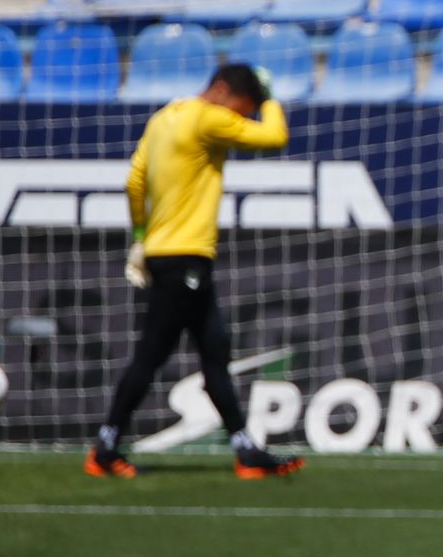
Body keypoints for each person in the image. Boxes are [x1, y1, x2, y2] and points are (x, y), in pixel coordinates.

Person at [88, 63, 301, 480]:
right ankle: (105, 447)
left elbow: (135, 182)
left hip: (171, 255)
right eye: (244, 108)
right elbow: (275, 137)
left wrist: (140, 237)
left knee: (215, 352)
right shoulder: (206, 117)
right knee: (152, 356)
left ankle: (246, 451)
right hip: (185, 257)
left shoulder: (164, 117)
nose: (241, 120)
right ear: (221, 91)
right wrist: (272, 98)